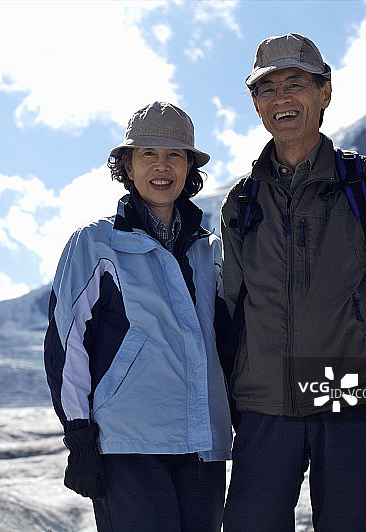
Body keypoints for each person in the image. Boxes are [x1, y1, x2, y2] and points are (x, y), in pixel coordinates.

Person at [220, 34, 366, 531]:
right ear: (256, 104)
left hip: (352, 408)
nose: (281, 98)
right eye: (267, 88)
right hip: (263, 411)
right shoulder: (241, 203)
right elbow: (231, 309)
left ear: (325, 92)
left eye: (295, 83)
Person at [44, 101, 233, 531]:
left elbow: (228, 344)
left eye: (174, 154)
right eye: (148, 154)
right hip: (128, 445)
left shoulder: (211, 251)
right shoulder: (95, 244)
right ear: (127, 166)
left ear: (189, 167)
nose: (161, 166)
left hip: (202, 444)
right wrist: (79, 437)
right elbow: (67, 345)